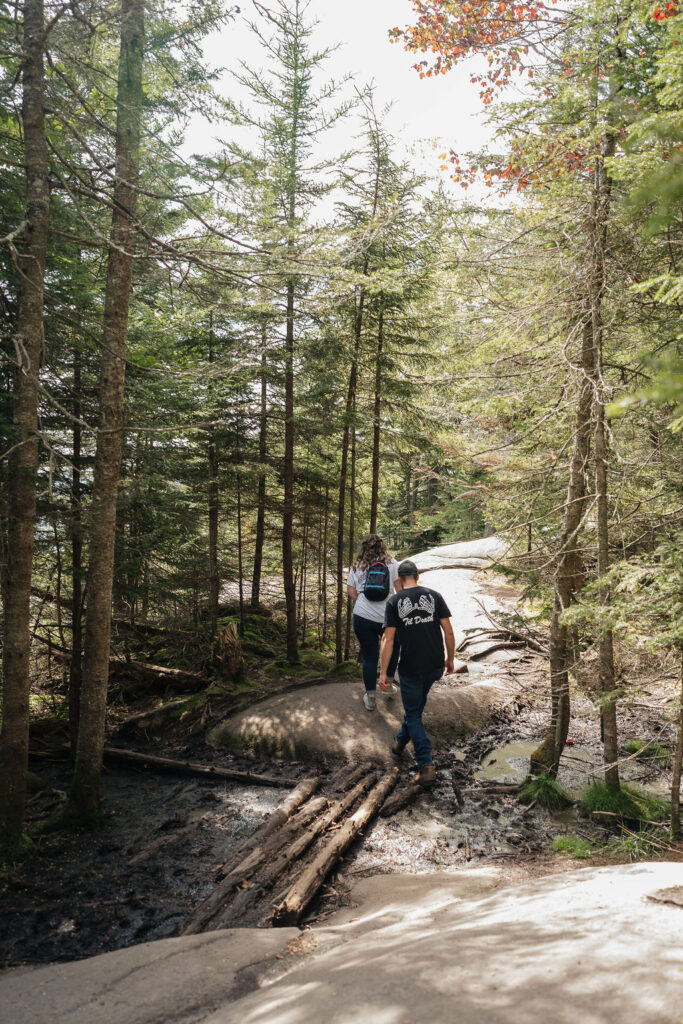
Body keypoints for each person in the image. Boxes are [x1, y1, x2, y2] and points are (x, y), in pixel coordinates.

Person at [379, 559, 455, 787]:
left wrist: (384, 673)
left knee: (413, 713)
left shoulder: (394, 601)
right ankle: (400, 743)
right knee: (416, 708)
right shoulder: (435, 596)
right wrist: (450, 659)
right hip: (433, 664)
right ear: (417, 575)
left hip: (411, 666)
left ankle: (426, 764)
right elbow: (448, 632)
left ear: (400, 579)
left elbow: (388, 639)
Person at [347, 534, 401, 711]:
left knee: (370, 656)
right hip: (388, 617)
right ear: (382, 546)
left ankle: (370, 697)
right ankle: (388, 685)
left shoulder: (357, 565)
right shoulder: (392, 563)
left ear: (363, 547)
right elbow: (398, 589)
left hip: (363, 617)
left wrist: (362, 603)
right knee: (392, 650)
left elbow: (351, 591)